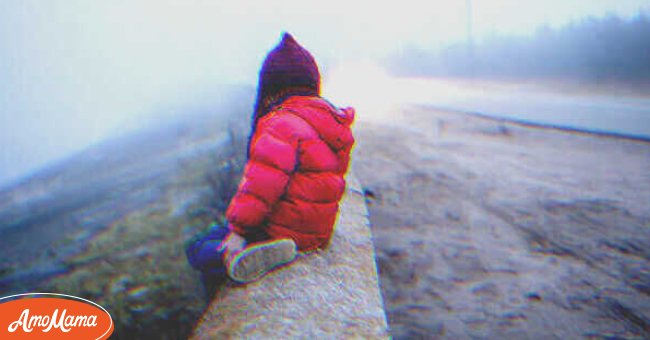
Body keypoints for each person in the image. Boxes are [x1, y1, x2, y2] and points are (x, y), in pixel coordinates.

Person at [186, 32, 355, 284]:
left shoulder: (281, 124)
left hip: (280, 233)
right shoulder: (331, 120)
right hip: (316, 234)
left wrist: (239, 232)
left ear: (272, 87)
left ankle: (235, 259)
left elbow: (260, 187)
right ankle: (265, 251)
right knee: (213, 236)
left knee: (199, 248)